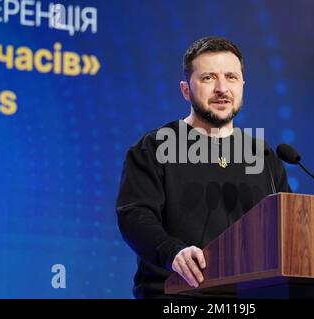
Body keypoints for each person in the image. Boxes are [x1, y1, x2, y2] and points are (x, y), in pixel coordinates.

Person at [116, 36, 292, 299]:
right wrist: (173, 252)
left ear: (243, 85)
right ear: (186, 90)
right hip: (178, 296)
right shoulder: (154, 147)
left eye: (231, 77)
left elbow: (286, 224)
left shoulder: (263, 155)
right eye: (208, 78)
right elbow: (135, 215)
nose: (222, 88)